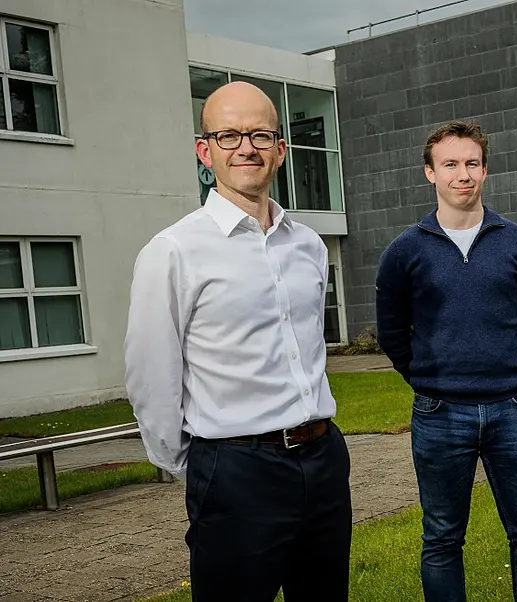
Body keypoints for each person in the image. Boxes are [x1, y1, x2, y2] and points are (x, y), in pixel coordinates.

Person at [124, 81, 351, 601]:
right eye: (228, 136)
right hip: (236, 472)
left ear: (280, 150)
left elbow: (309, 348)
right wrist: (202, 465)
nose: (245, 147)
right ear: (205, 151)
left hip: (323, 460)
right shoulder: (174, 251)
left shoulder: (309, 246)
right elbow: (151, 375)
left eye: (259, 135)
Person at [375, 120, 517, 602]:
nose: (462, 174)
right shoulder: (405, 251)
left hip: (513, 408)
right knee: (441, 539)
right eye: (450, 164)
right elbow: (392, 332)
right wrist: (430, 376)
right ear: (429, 173)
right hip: (439, 414)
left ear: (485, 170)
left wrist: (506, 366)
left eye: (471, 163)